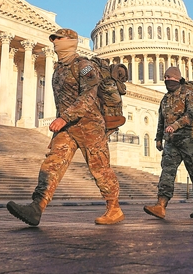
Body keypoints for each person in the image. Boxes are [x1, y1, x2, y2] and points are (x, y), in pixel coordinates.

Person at [7, 29, 124, 226]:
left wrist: (64, 118)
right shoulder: (59, 69)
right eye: (53, 39)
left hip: (89, 125)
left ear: (70, 41)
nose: (55, 42)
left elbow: (89, 95)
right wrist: (63, 122)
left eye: (58, 39)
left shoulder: (84, 66)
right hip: (68, 127)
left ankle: (114, 208)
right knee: (52, 164)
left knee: (100, 168)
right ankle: (37, 207)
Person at [144, 67, 193, 219]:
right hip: (172, 141)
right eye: (165, 77)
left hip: (189, 139)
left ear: (177, 79)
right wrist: (159, 138)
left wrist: (176, 125)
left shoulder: (189, 94)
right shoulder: (165, 99)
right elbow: (162, 120)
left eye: (170, 77)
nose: (167, 80)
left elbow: (191, 114)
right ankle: (161, 205)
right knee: (167, 172)